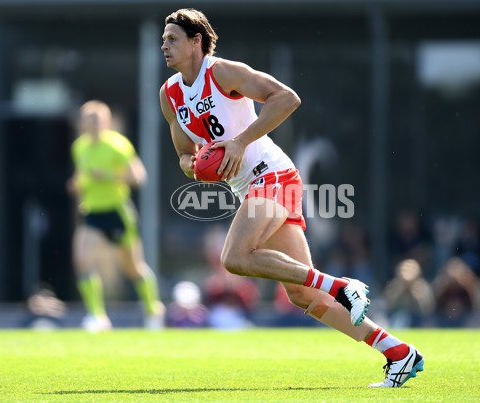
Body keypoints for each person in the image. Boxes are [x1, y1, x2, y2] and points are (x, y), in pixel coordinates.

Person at [159, 8, 424, 387]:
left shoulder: (221, 72)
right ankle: (398, 353)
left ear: (196, 41)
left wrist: (238, 142)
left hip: (272, 173)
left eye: (172, 38)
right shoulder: (169, 95)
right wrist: (197, 165)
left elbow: (286, 98)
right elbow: (185, 155)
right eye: (164, 39)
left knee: (234, 257)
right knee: (304, 296)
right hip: (246, 187)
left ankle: (341, 285)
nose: (164, 46)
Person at [68, 100, 164, 331]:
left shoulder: (118, 146)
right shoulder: (79, 147)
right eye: (88, 121)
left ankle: (153, 310)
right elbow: (82, 175)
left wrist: (108, 176)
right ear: (82, 124)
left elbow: (138, 177)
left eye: (97, 121)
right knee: (82, 261)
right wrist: (77, 183)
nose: (93, 126)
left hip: (118, 211)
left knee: (132, 267)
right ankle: (97, 316)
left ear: (107, 122)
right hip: (92, 212)